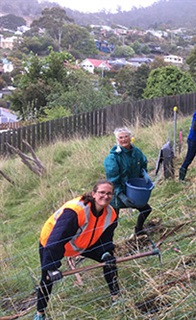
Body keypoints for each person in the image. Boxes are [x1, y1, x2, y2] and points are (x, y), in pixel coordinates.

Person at [35, 180, 119, 320]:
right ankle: (40, 314)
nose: (105, 196)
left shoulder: (111, 214)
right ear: (93, 194)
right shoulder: (76, 211)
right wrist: (52, 267)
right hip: (51, 243)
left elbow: (105, 239)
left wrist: (104, 253)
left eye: (109, 193)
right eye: (102, 192)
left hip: (82, 242)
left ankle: (116, 298)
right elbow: (57, 239)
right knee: (47, 278)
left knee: (109, 261)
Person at [104, 127, 152, 236]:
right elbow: (112, 181)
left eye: (126, 137)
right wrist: (121, 195)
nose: (124, 139)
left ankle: (138, 231)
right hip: (116, 194)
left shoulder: (137, 152)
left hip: (132, 191)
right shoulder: (113, 158)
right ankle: (106, 245)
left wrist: (144, 174)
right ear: (117, 140)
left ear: (130, 138)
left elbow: (143, 164)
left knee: (146, 210)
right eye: (121, 137)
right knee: (113, 222)